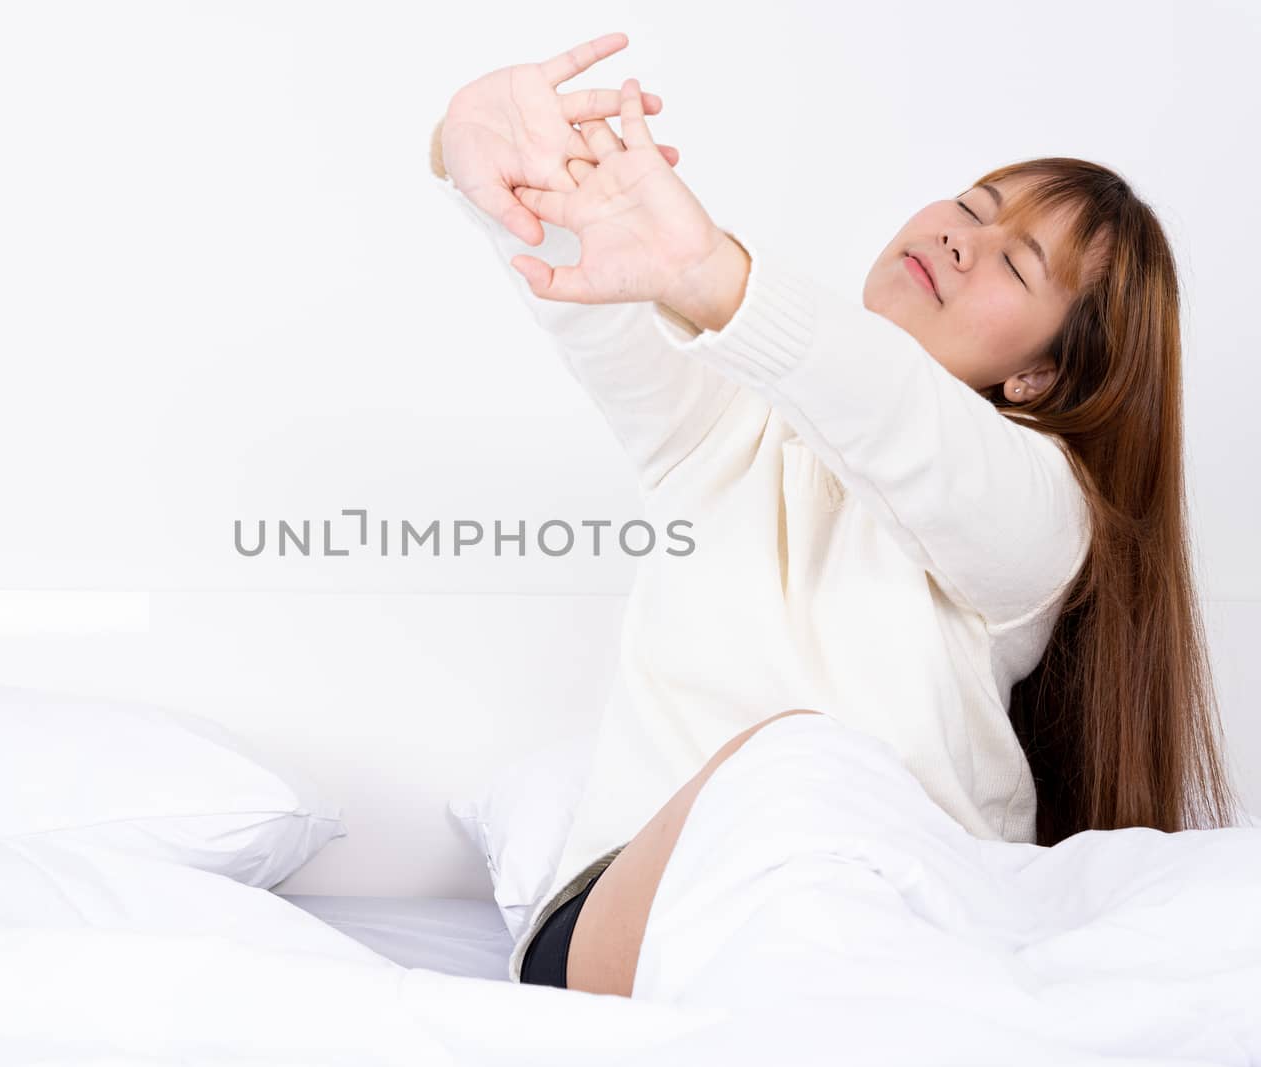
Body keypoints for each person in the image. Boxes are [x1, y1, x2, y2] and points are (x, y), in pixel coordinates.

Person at [429, 33, 1239, 996]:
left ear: (1040, 375)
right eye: (971, 208)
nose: (958, 238)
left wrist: (715, 278)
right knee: (795, 767)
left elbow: (911, 426)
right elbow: (600, 276)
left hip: (920, 913)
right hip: (634, 916)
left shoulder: (1042, 517)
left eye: (1014, 265)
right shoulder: (715, 423)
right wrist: (476, 151)